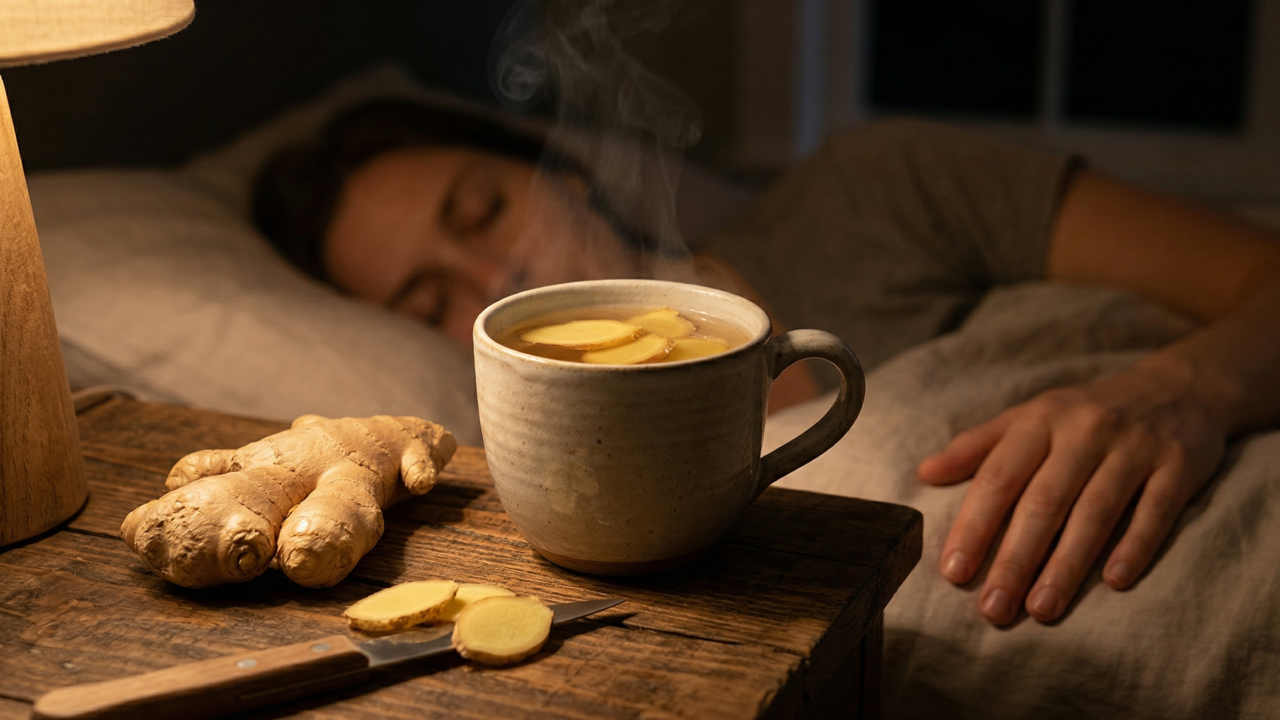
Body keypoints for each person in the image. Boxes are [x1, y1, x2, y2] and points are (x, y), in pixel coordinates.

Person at [253, 99, 1280, 628]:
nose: (494, 268)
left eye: (482, 209)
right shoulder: (542, 496)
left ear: (561, 169)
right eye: (428, 299)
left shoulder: (878, 186)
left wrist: (1180, 388)